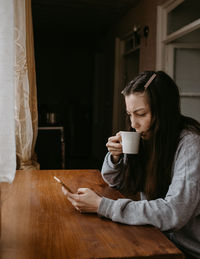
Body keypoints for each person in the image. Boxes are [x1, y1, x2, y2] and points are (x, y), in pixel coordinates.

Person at [62, 71, 200, 259]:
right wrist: (115, 158)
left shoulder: (191, 144)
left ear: (163, 111)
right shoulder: (149, 137)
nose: (133, 123)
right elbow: (115, 182)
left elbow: (174, 213)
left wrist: (102, 206)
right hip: (157, 237)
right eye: (129, 114)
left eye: (141, 114)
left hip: (188, 251)